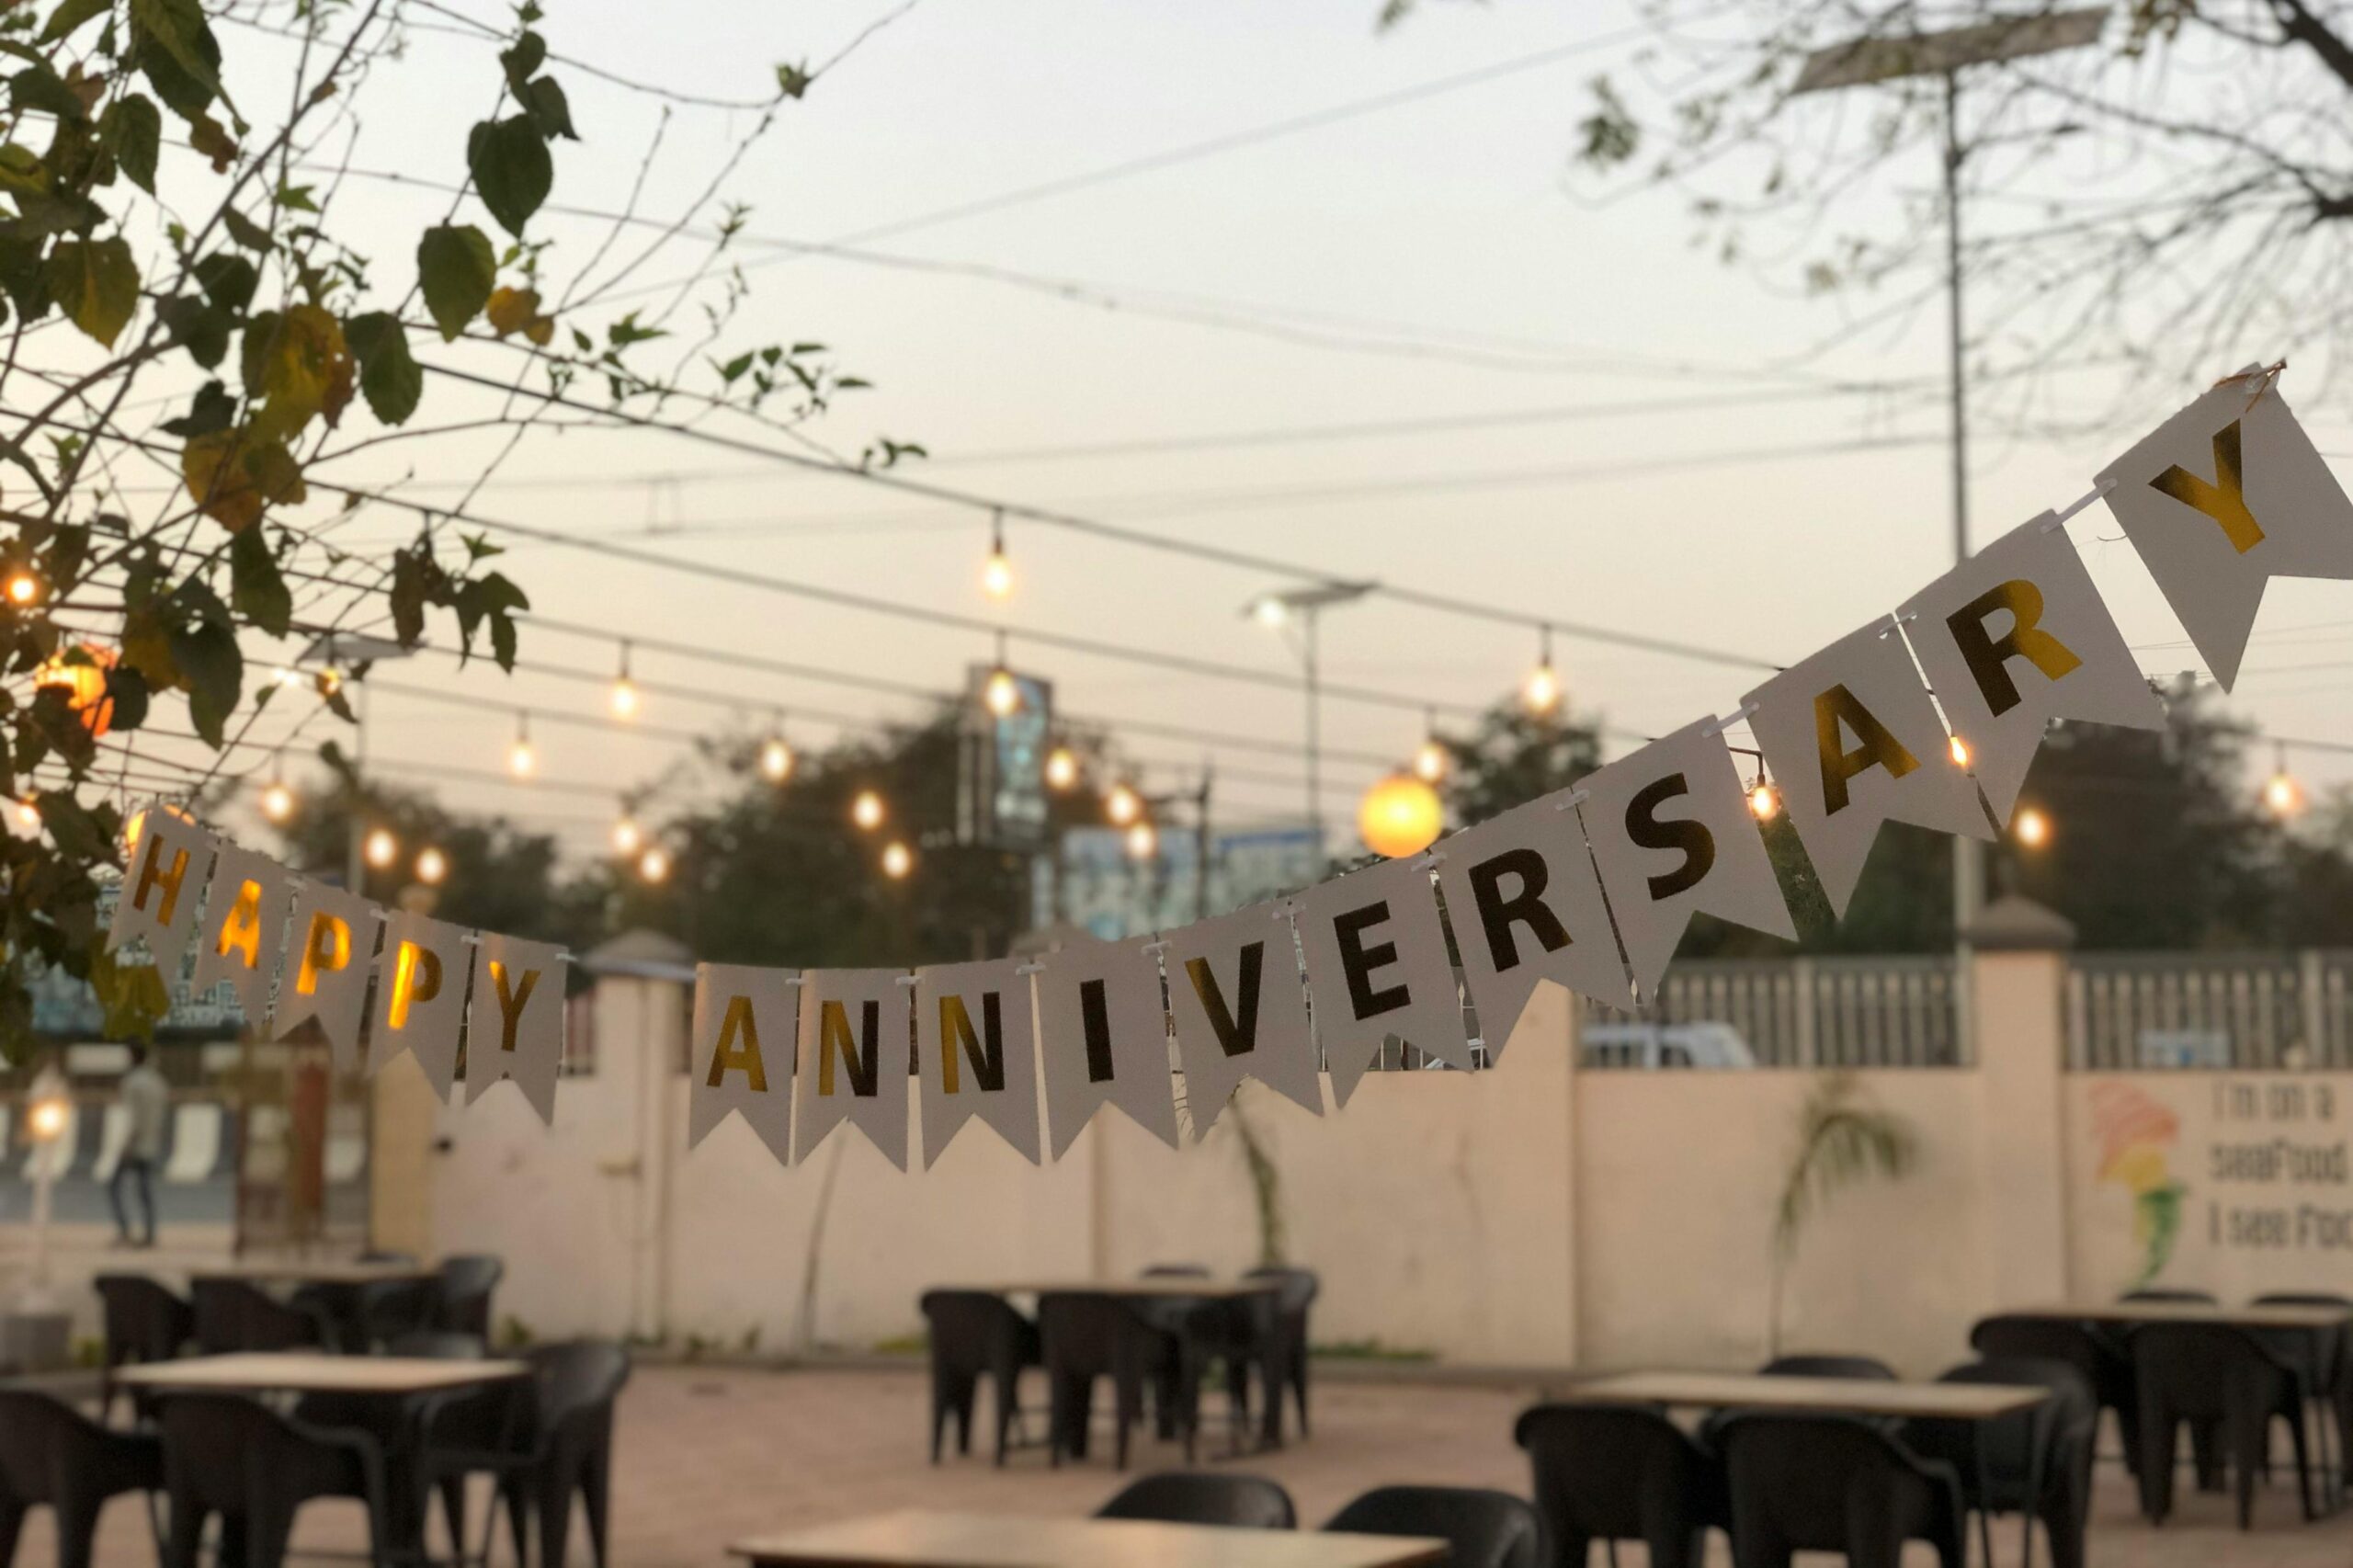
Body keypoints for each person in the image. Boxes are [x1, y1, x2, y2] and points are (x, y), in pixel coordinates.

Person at [111, 1045, 168, 1248]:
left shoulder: (132, 1082)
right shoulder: (157, 1081)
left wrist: (127, 1144)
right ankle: (149, 1234)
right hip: (151, 1142)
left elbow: (134, 1118)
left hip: (135, 1143)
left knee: (114, 1186)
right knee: (144, 1191)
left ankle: (125, 1229)